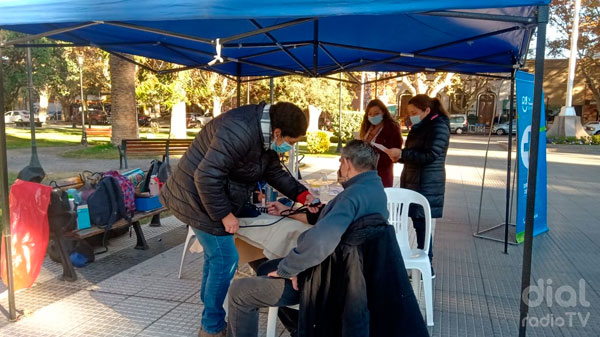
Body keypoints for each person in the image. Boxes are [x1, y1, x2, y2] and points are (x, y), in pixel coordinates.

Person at [226, 140, 427, 337]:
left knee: (240, 292)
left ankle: (302, 323)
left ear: (347, 163)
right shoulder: (375, 192)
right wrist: (292, 215)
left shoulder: (349, 198)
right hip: (350, 272)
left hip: (330, 279)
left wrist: (290, 269)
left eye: (341, 162)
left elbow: (321, 243)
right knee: (265, 268)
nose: (340, 167)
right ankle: (299, 327)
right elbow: (334, 225)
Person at [159, 102, 316, 337]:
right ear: (277, 133)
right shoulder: (238, 130)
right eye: (291, 142)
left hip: (209, 197)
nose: (290, 148)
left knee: (215, 259)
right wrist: (225, 214)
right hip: (195, 198)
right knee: (225, 259)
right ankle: (211, 328)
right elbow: (205, 176)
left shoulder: (264, 137)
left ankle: (209, 315)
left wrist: (304, 195)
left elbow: (273, 171)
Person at [384, 94, 450, 270]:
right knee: (417, 222)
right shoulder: (420, 126)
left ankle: (427, 265)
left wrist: (403, 154)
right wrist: (400, 156)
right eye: (409, 112)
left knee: (422, 225)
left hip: (427, 183)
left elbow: (431, 155)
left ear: (427, 110)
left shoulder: (438, 127)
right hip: (413, 180)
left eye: (414, 112)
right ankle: (424, 263)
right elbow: (414, 152)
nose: (410, 115)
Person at [359, 99, 403, 187]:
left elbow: (396, 150)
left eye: (376, 113)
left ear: (383, 112)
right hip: (365, 171)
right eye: (370, 114)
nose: (373, 116)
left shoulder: (391, 128)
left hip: (382, 172)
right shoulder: (367, 128)